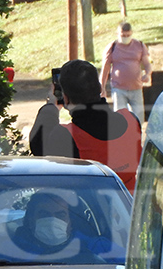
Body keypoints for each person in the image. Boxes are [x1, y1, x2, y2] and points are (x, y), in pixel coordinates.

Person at [29, 59, 142, 192]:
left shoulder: (67, 136)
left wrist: (51, 106)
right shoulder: (131, 121)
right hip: (131, 201)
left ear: (65, 98)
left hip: (90, 203)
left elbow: (38, 145)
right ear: (100, 88)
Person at [13, 192, 124, 262]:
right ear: (31, 220)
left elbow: (128, 268)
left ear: (71, 222)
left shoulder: (98, 247)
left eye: (60, 215)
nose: (52, 220)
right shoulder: (12, 251)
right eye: (44, 214)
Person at [99, 21, 152, 123]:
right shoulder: (112, 47)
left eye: (128, 35)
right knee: (121, 118)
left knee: (138, 119)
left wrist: (147, 74)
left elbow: (147, 63)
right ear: (117, 34)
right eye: (123, 35)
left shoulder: (139, 45)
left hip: (136, 88)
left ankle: (136, 133)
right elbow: (105, 69)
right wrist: (102, 87)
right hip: (119, 89)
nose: (126, 38)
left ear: (132, 33)